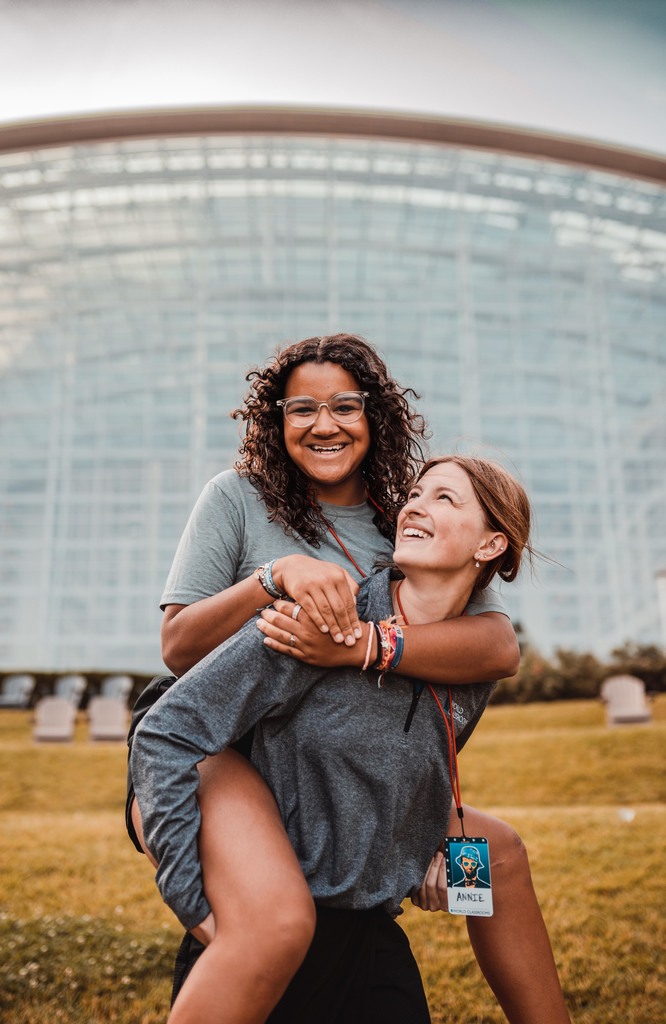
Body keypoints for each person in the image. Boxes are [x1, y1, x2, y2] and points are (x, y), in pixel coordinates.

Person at [126, 334, 570, 1023]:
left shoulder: (403, 524)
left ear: (375, 416)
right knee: (274, 924)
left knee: (495, 855)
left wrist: (366, 650)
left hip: (340, 777)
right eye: (301, 408)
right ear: (276, 420)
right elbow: (178, 662)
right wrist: (271, 580)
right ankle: (235, 942)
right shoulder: (239, 501)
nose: (324, 424)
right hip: (223, 748)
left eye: (345, 406)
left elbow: (493, 650)